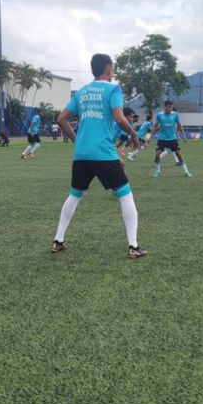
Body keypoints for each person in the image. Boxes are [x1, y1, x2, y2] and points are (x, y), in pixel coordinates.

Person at [51, 53, 147, 259]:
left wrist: (78, 140)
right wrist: (134, 134)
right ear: (108, 69)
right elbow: (119, 117)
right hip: (103, 153)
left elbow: (61, 119)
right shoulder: (114, 89)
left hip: (82, 154)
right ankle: (133, 246)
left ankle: (58, 240)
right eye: (112, 68)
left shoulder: (82, 92)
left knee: (74, 195)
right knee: (125, 194)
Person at [151, 100, 191, 177]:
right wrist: (150, 136)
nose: (170, 109)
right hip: (162, 138)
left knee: (178, 154)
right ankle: (157, 171)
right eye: (168, 107)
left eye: (171, 107)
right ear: (165, 107)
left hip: (172, 138)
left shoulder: (175, 115)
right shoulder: (159, 115)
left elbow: (179, 125)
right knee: (157, 154)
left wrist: (184, 136)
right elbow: (156, 126)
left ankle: (186, 171)